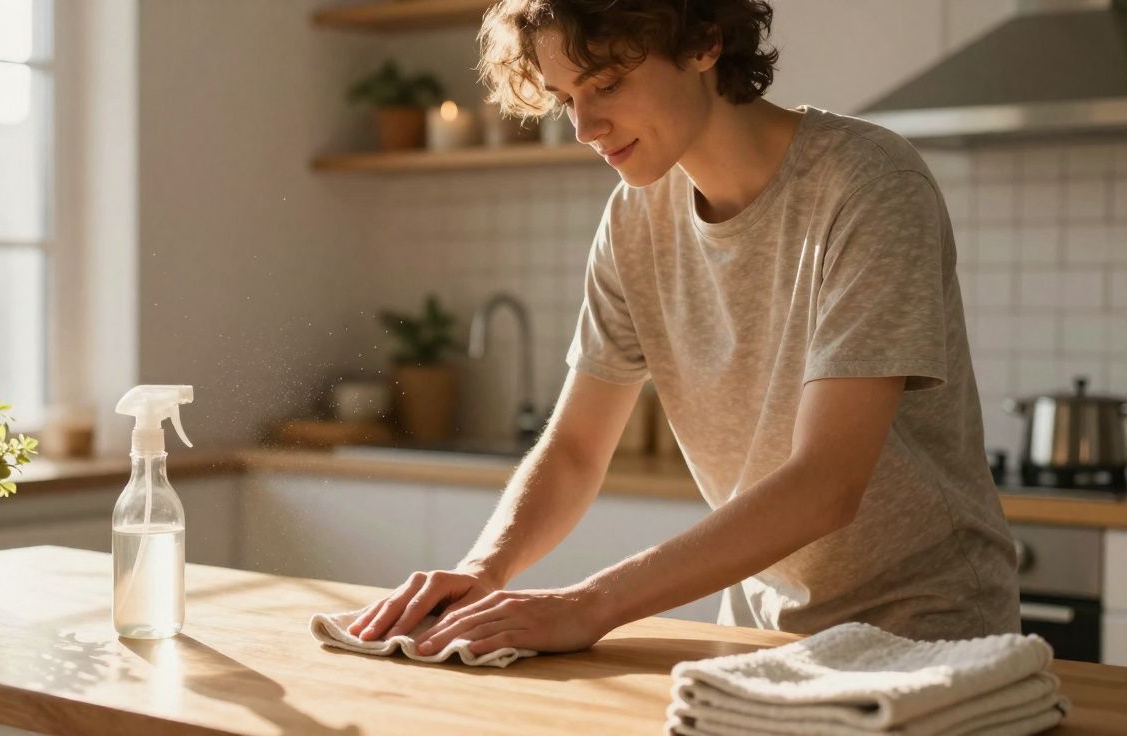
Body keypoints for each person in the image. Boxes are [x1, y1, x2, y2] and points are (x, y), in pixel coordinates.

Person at [347, 0, 1020, 657]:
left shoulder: (868, 184)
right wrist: (483, 570)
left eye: (606, 83)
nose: (584, 125)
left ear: (702, 43)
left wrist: (589, 605)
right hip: (758, 635)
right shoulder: (633, 218)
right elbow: (577, 449)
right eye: (564, 97)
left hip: (928, 636)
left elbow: (826, 484)